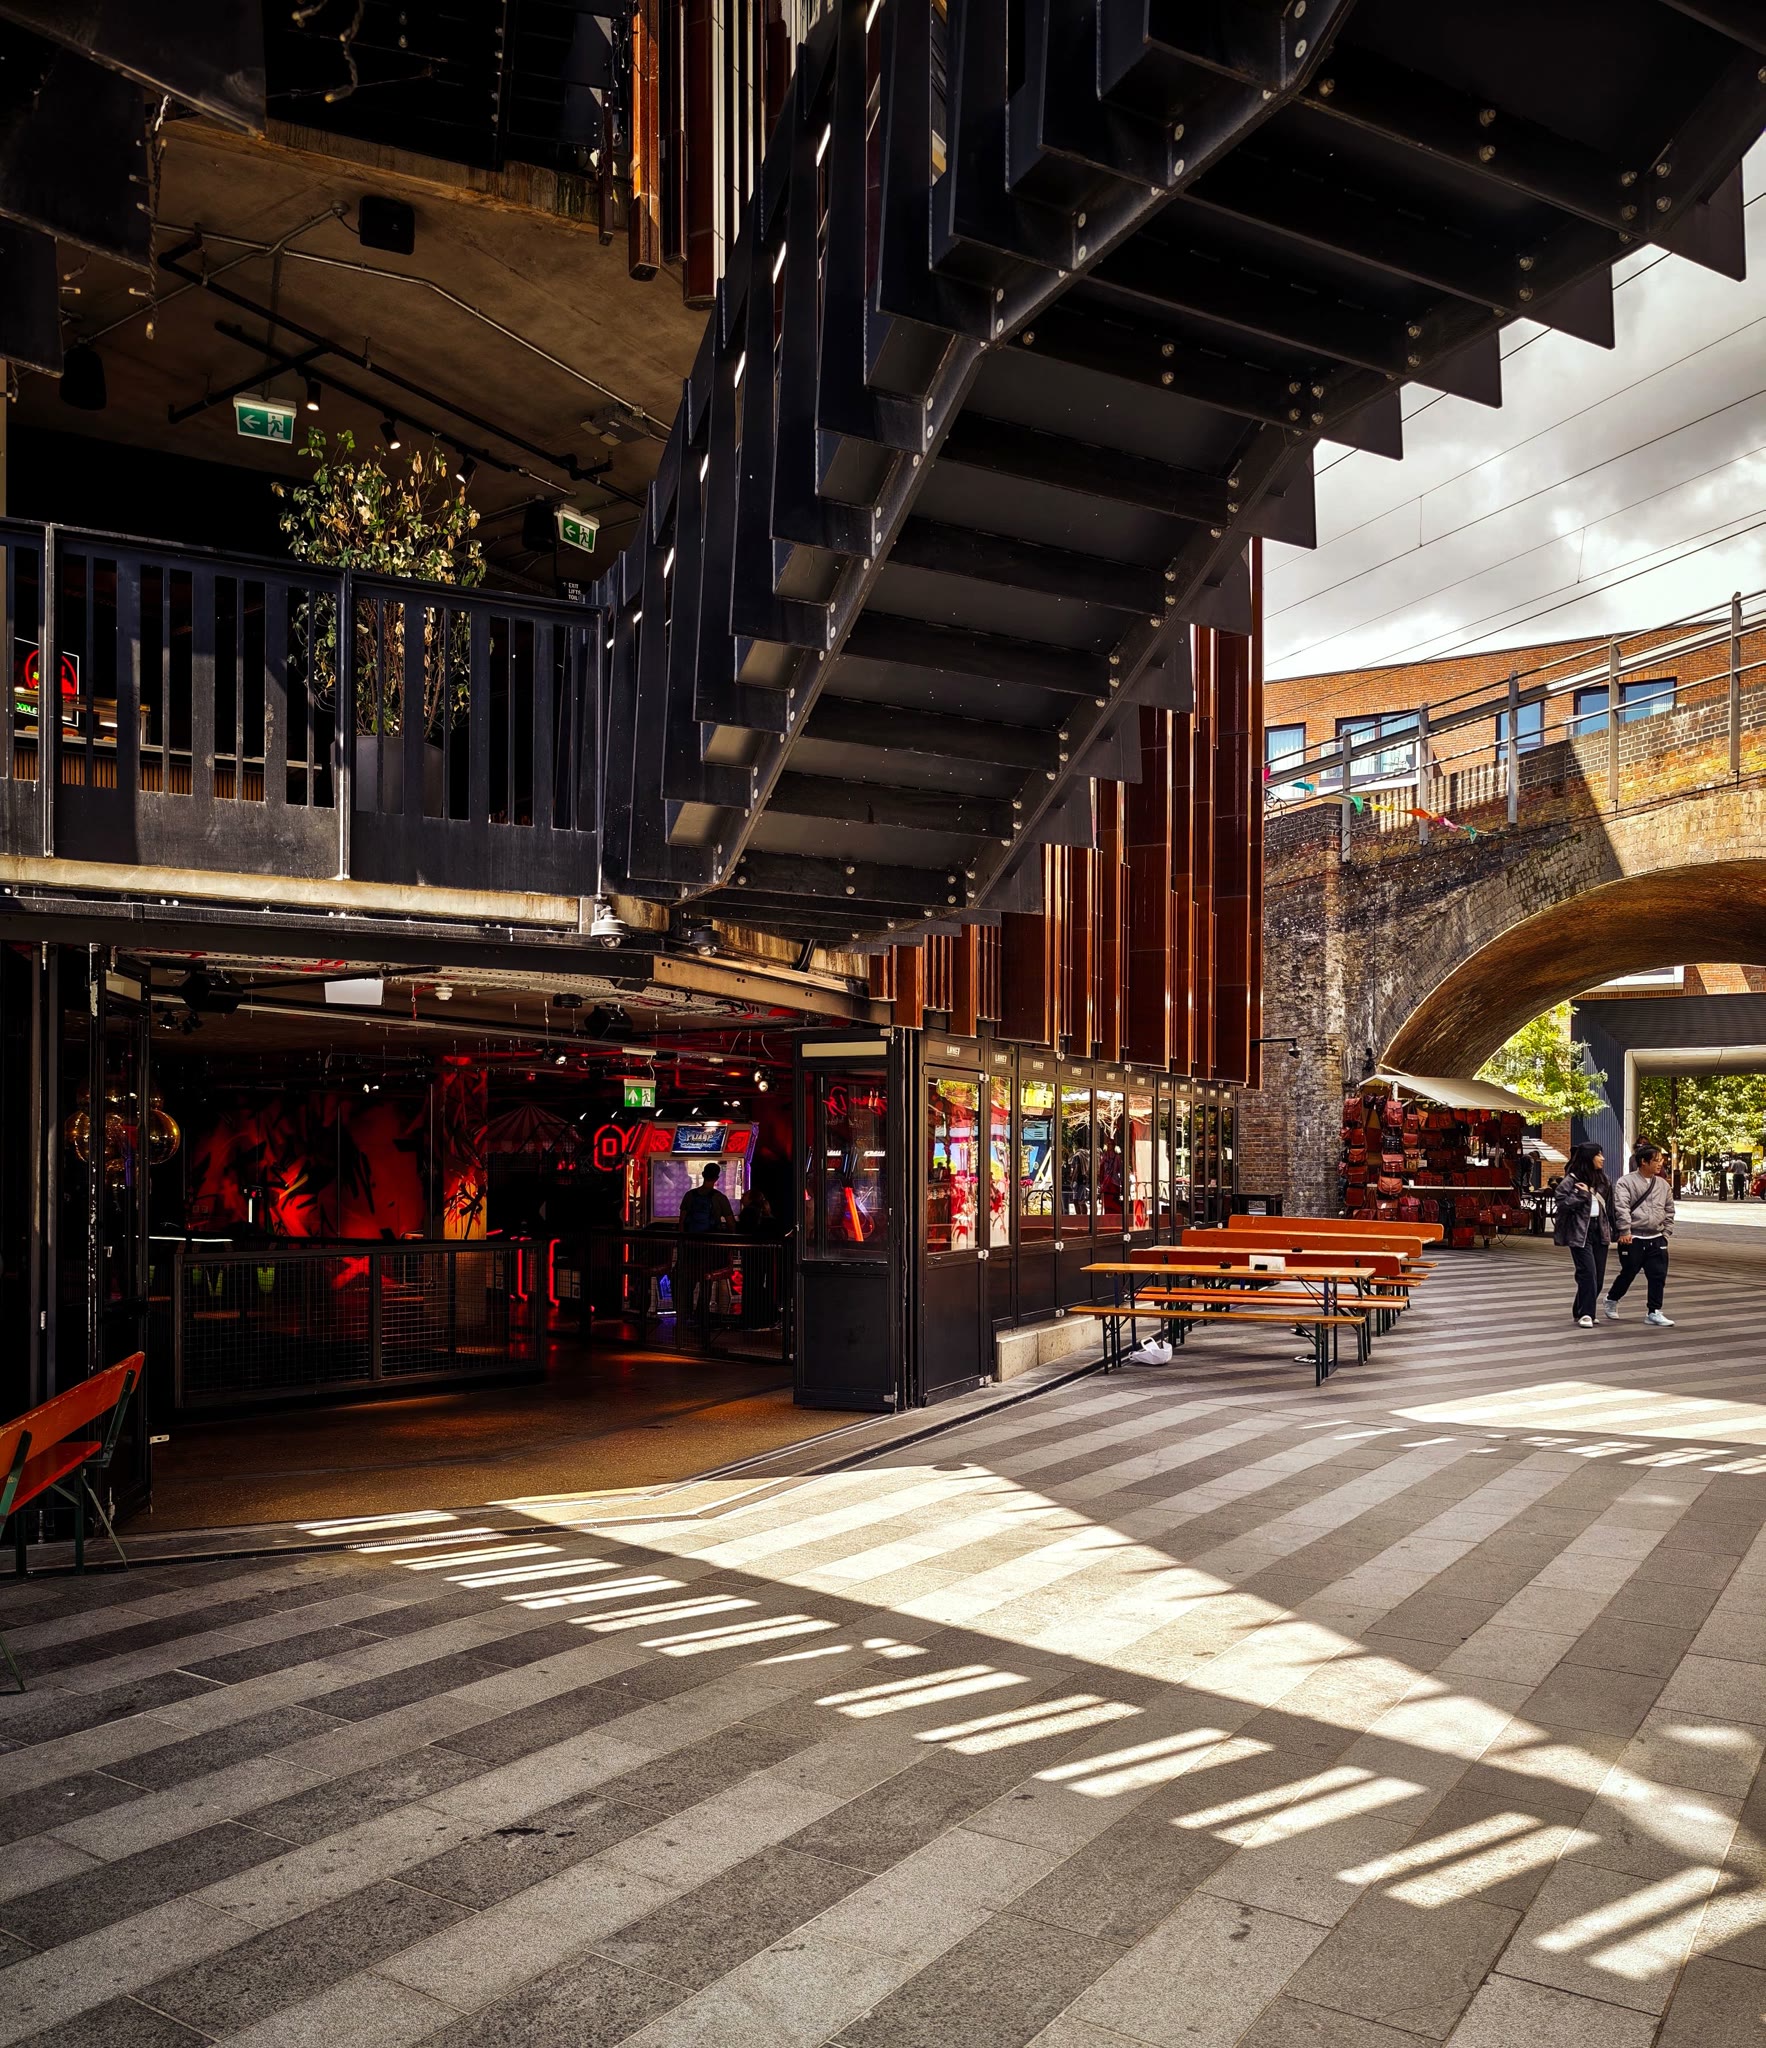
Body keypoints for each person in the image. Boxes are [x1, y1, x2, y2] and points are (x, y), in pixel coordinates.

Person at [1605, 1140, 1676, 1326]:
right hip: (1633, 1237)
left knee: (1658, 1275)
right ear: (1643, 1161)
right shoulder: (1625, 1182)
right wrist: (1625, 1230)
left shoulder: (1663, 1184)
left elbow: (1669, 1209)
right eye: (1656, 1160)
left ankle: (1654, 1311)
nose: (1660, 1164)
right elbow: (1621, 1208)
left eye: (1661, 1160)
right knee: (1629, 1272)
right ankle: (1612, 1299)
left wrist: (1666, 1233)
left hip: (1657, 1237)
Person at [1553, 1141, 1613, 1328]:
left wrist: (1620, 1231)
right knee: (1588, 1273)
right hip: (1579, 1232)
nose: (1602, 1158)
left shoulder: (1604, 1180)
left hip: (1600, 1230)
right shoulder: (1571, 1180)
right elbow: (1561, 1203)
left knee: (1599, 1278)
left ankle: (1579, 1309)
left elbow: (1611, 1207)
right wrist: (1582, 1195)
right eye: (1598, 1155)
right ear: (1588, 1158)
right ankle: (1587, 1313)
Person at [678, 1162, 736, 1235]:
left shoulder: (689, 1195)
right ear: (716, 1178)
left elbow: (681, 1221)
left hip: (691, 1238)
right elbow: (731, 1224)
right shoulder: (720, 1198)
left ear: (703, 1174)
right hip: (712, 1239)